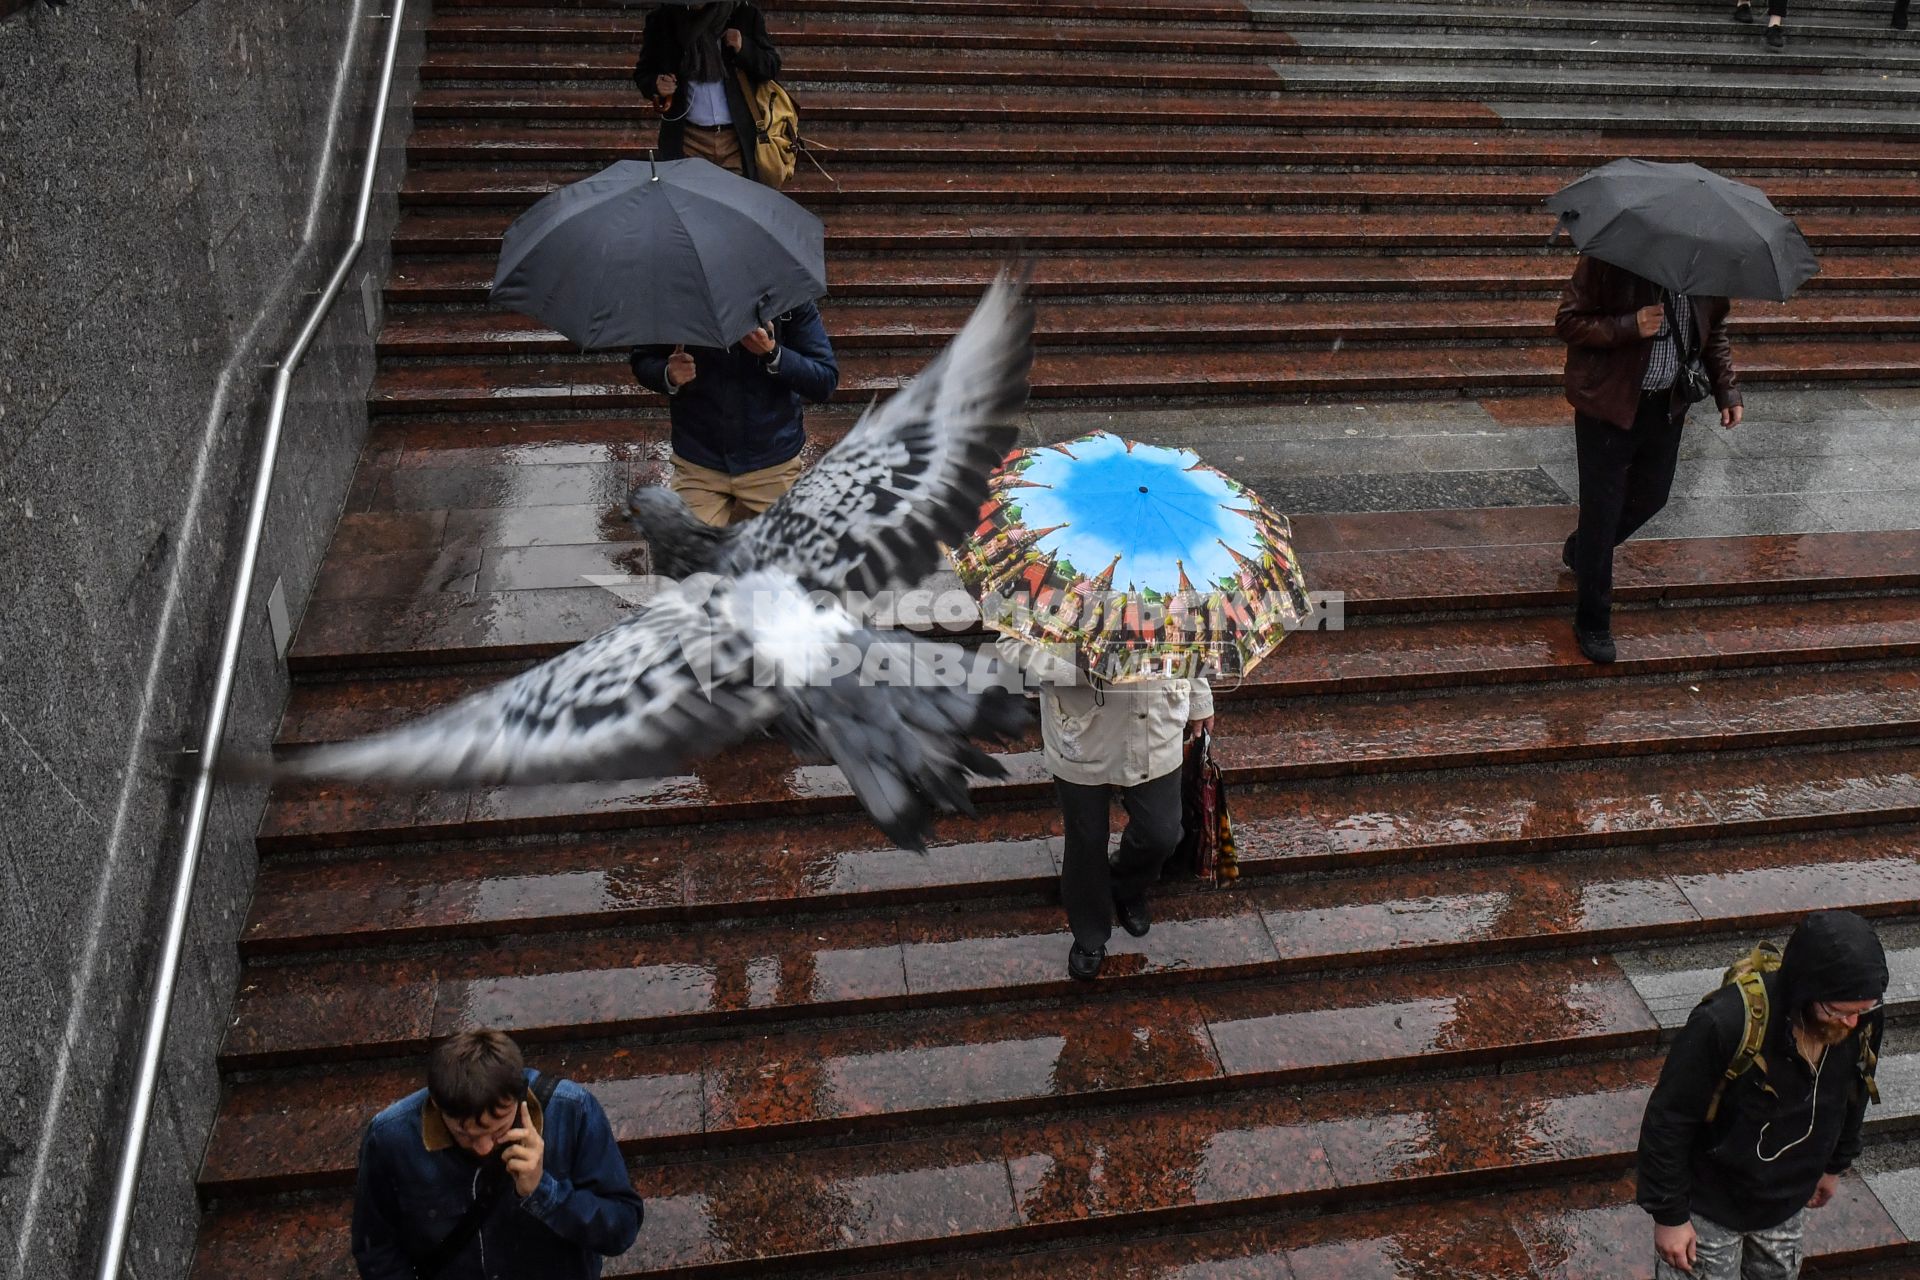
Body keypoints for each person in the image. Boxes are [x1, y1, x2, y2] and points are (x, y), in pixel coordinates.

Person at [1637, 911, 1889, 1280]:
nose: (1851, 1023)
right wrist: (1669, 1217)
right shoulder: (1724, 1022)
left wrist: (1836, 1163)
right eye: (1838, 1011)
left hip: (1786, 1203)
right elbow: (1668, 1119)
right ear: (1806, 990)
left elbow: (1856, 1089)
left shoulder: (1861, 1017)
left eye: (1862, 1011)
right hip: (1710, 1205)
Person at [1553, 254, 1741, 664]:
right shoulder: (1610, 260)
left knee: (1653, 495)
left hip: (1666, 407)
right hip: (1608, 404)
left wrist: (1727, 389)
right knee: (1601, 514)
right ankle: (1593, 621)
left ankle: (1584, 550)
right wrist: (1629, 325)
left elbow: (1715, 329)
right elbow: (1568, 320)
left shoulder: (1706, 268)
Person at [996, 635, 1213, 981]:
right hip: (1081, 730)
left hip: (1156, 722)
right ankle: (1089, 933)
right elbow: (1011, 646)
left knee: (1161, 832)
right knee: (1086, 839)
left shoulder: (1173, 579)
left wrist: (1200, 696)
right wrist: (1081, 664)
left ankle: (1125, 886)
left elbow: (1193, 633)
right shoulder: (1057, 581)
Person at [351, 1028, 643, 1279]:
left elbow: (621, 1228)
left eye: (498, 1129)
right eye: (464, 1134)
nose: (484, 1148)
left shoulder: (571, 1111)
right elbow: (376, 1247)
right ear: (437, 1105)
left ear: (519, 1096)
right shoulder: (391, 1137)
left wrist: (544, 1191)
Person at [630, 303, 838, 526]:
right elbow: (643, 358)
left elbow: (824, 379)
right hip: (699, 459)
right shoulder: (677, 299)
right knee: (687, 555)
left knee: (781, 557)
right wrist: (668, 374)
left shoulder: (788, 300)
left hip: (771, 460)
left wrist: (772, 353)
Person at [632, 1, 779, 182]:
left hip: (735, 139)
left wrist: (744, 48)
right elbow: (644, 72)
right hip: (688, 139)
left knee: (734, 204)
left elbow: (771, 66)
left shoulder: (744, 14)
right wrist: (655, 84)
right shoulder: (663, 19)